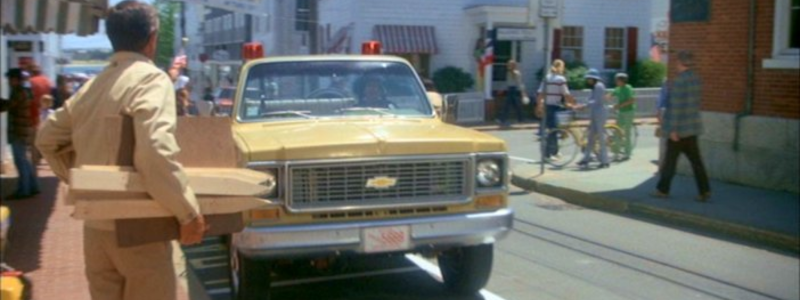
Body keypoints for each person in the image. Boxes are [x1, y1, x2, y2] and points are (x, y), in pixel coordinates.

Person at [35, 2, 207, 299]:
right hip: (139, 229)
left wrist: (81, 177)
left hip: (96, 231)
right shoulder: (151, 79)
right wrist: (188, 213)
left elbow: (46, 137)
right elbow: (155, 150)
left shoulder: (94, 85)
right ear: (152, 38)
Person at [652, 50, 711, 202]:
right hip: (692, 127)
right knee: (696, 161)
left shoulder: (679, 81)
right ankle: (704, 190)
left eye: (677, 62)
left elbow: (676, 107)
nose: (676, 65)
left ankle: (662, 190)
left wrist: (672, 129)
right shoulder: (696, 79)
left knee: (670, 161)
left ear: (680, 63)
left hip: (678, 130)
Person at [0, 68, 39, 199]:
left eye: (10, 79)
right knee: (24, 160)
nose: (9, 82)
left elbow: (7, 106)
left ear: (15, 79)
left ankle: (24, 190)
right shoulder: (27, 91)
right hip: (25, 128)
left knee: (20, 161)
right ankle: (33, 186)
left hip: (18, 130)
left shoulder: (18, 93)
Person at [536, 59, 575, 160]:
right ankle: (549, 154)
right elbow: (566, 94)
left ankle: (555, 151)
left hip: (547, 106)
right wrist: (572, 103)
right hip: (555, 107)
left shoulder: (546, 78)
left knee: (552, 129)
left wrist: (539, 105)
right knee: (554, 130)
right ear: (561, 67)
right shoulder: (560, 79)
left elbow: (540, 93)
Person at [575, 69, 609, 168]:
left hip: (600, 112)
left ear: (593, 78)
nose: (587, 80)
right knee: (591, 137)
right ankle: (586, 158)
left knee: (600, 137)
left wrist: (584, 106)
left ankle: (605, 160)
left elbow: (596, 101)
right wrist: (583, 105)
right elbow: (591, 100)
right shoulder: (595, 87)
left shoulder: (599, 86)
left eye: (589, 78)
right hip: (595, 112)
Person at [607, 72, 636, 159]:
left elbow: (631, 100)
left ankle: (627, 153)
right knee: (617, 131)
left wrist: (618, 106)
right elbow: (610, 94)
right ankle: (616, 152)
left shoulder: (628, 88)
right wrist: (605, 97)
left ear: (623, 81)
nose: (616, 81)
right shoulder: (618, 88)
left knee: (627, 132)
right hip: (621, 112)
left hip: (629, 112)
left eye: (617, 80)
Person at [498, 60, 528, 127]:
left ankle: (503, 119)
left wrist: (523, 92)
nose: (508, 66)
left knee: (508, 105)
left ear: (513, 65)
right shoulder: (508, 73)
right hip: (509, 89)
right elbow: (507, 82)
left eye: (510, 65)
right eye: (508, 64)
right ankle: (520, 119)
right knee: (514, 105)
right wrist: (502, 89)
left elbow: (519, 83)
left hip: (514, 90)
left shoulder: (517, 73)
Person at [655, 79, 669, 169]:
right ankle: (664, 164)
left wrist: (659, 111)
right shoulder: (667, 82)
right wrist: (659, 112)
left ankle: (664, 164)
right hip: (667, 112)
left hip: (666, 112)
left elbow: (661, 97)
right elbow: (662, 97)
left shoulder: (667, 82)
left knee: (666, 141)